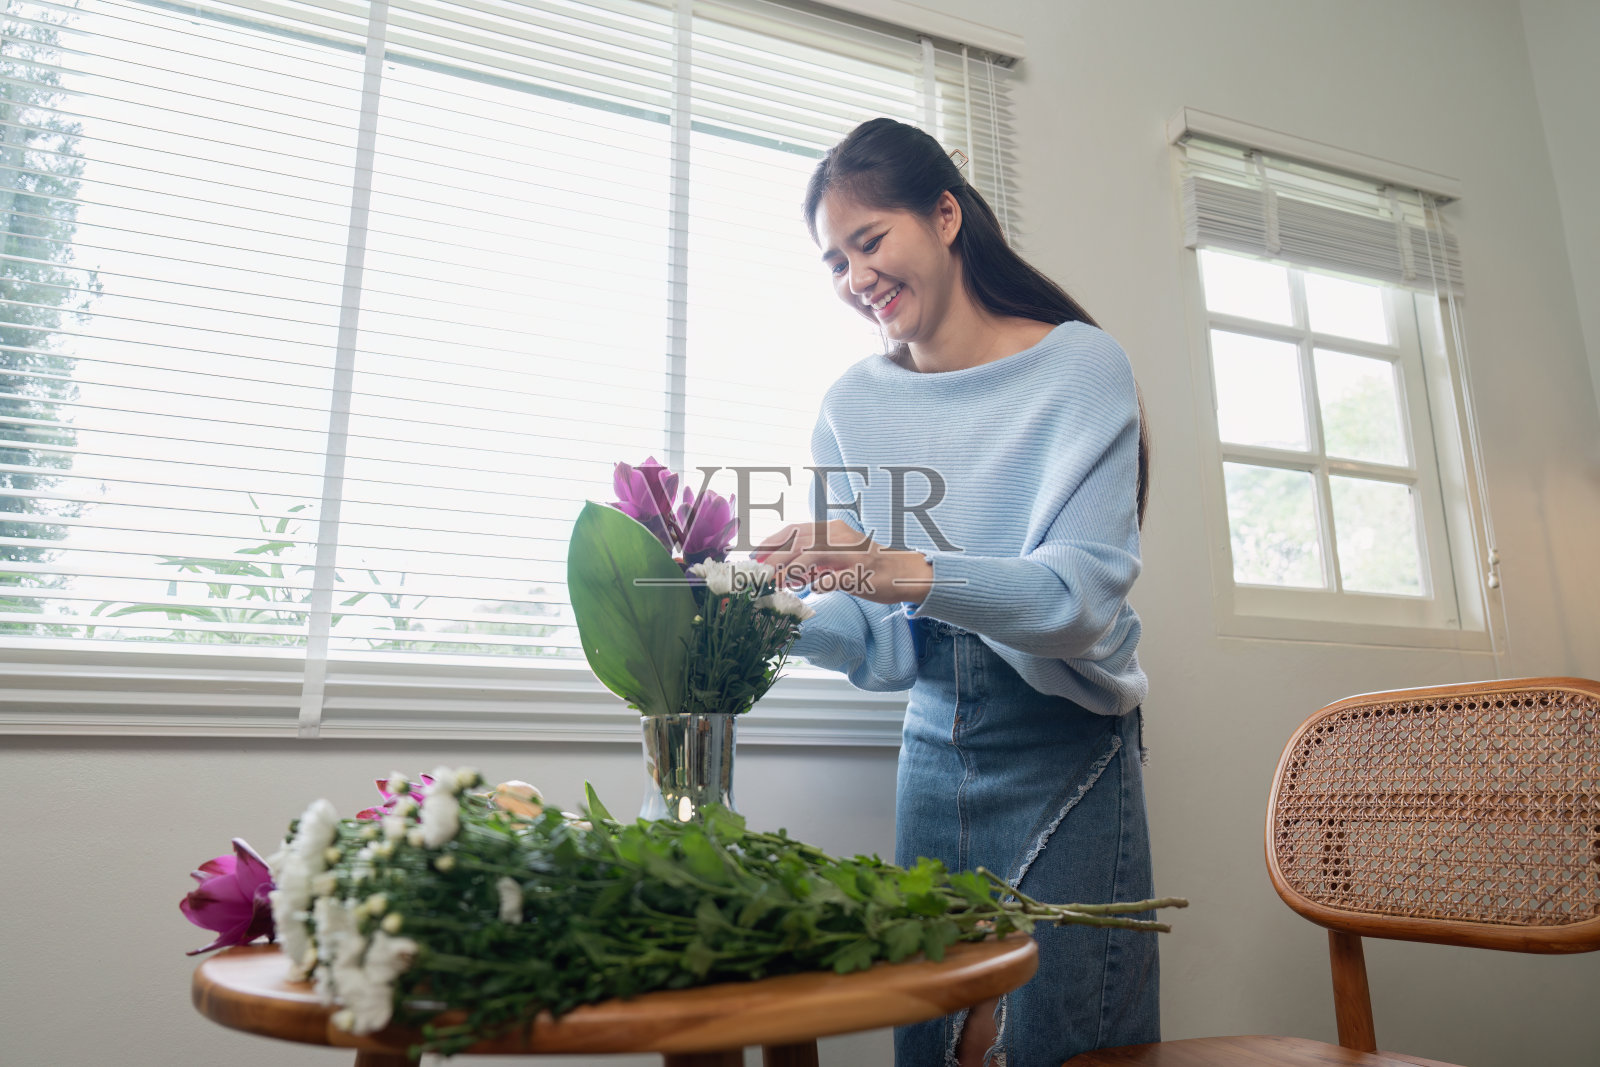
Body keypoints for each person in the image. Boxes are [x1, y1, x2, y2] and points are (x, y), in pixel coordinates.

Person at [752, 117, 1158, 1067]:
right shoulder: (851, 404)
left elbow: (1076, 602)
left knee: (1058, 1038)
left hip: (1065, 742)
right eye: (834, 262)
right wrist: (765, 620)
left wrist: (889, 563)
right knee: (939, 1041)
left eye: (869, 241)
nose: (856, 279)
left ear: (944, 214)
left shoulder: (1081, 366)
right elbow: (881, 639)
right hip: (934, 748)